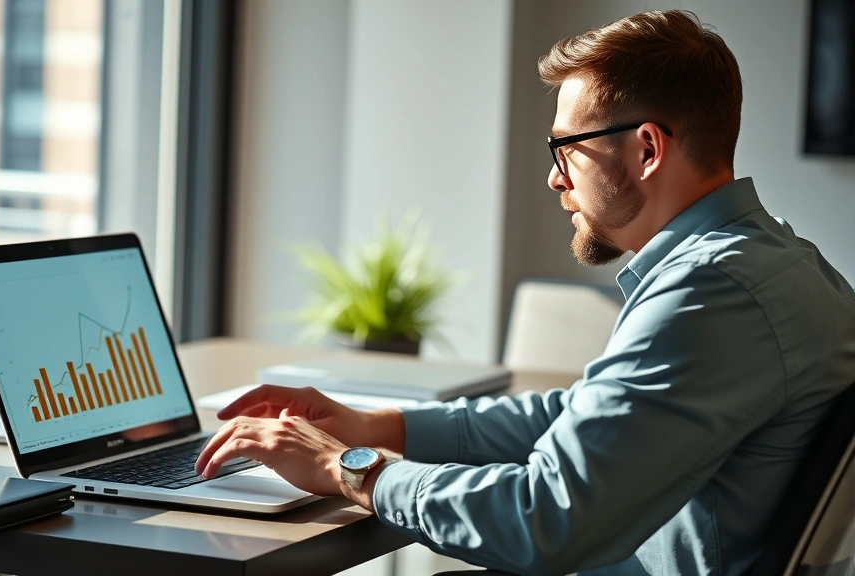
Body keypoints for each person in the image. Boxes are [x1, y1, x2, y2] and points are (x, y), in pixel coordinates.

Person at [195, 10, 855, 575]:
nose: (554, 178)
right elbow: (591, 419)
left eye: (566, 148)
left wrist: (352, 468)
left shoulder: (710, 292)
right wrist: (381, 425)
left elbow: (544, 521)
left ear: (647, 149)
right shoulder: (783, 265)